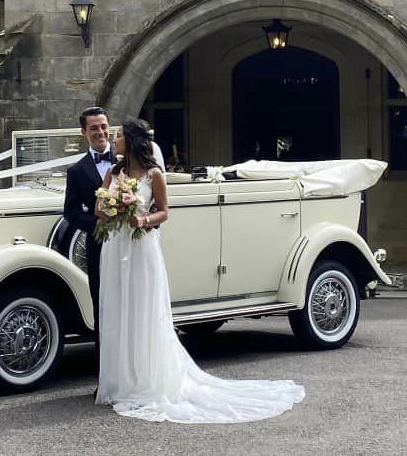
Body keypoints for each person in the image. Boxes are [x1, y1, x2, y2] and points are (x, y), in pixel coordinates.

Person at [94, 118, 305, 423]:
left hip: (141, 248)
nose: (114, 140)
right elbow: (99, 209)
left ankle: (146, 379)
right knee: (118, 307)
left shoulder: (154, 174)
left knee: (142, 308)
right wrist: (111, 204)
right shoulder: (114, 172)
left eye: (118, 136)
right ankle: (119, 380)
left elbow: (164, 212)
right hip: (116, 247)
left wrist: (141, 219)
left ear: (132, 140)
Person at [63, 106, 114, 366]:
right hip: (99, 245)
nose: (101, 132)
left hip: (131, 243)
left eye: (104, 126)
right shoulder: (77, 170)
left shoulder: (127, 161)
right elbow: (70, 212)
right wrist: (97, 223)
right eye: (94, 128)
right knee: (102, 306)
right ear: (84, 132)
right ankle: (106, 373)